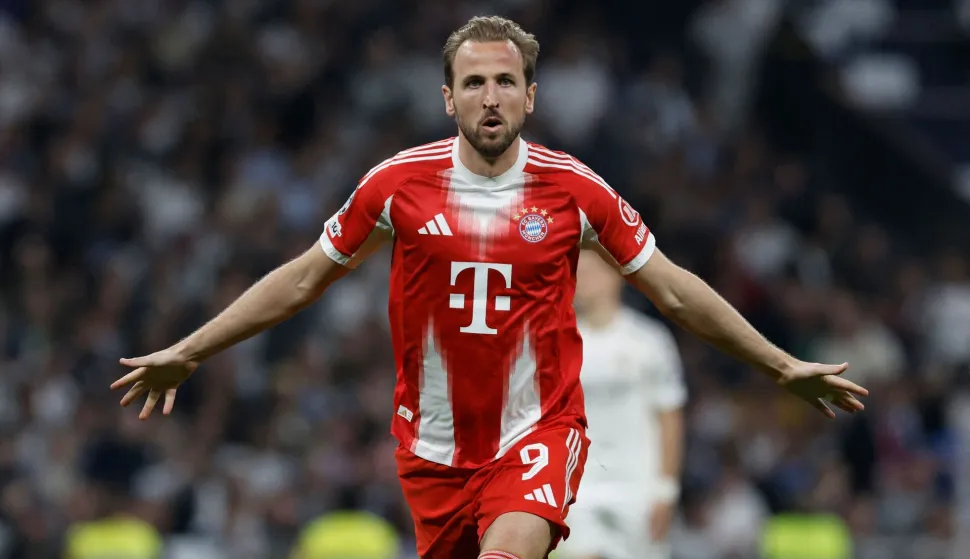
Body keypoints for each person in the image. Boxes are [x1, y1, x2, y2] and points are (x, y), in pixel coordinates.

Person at [110, 15, 869, 559]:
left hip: (538, 431)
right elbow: (304, 277)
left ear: (531, 96)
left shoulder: (574, 190)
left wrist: (780, 365)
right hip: (433, 450)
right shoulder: (397, 185)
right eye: (474, 83)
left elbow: (672, 289)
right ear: (449, 98)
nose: (491, 96)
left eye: (507, 81)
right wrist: (191, 350)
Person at [556, 250, 688, 559]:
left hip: (638, 489)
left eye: (591, 272)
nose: (582, 281)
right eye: (577, 273)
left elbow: (670, 417)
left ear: (615, 277)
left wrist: (666, 490)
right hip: (580, 488)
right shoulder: (559, 342)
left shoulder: (649, 341)